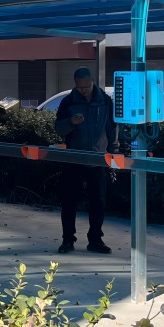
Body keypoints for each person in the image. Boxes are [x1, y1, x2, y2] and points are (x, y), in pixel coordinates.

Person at [53, 67, 118, 254]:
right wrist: (71, 123)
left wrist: (114, 152)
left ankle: (95, 240)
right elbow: (58, 129)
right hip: (74, 158)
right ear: (75, 84)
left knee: (98, 201)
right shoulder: (68, 102)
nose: (83, 90)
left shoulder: (105, 101)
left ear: (92, 82)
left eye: (86, 86)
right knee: (69, 200)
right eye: (80, 87)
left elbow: (112, 128)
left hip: (98, 159)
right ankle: (67, 240)